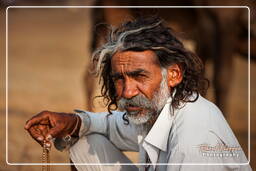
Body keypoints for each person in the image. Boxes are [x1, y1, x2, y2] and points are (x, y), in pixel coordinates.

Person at [24, 17, 252, 171]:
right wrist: (71, 122)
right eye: (119, 79)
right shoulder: (157, 108)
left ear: (173, 75)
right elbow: (111, 126)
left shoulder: (193, 138)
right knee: (84, 143)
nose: (127, 91)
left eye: (140, 76)